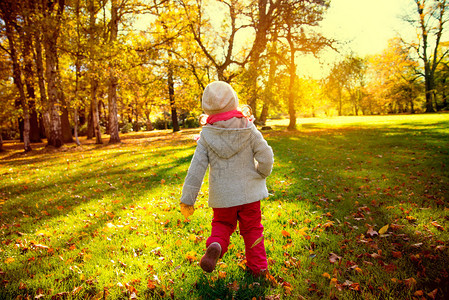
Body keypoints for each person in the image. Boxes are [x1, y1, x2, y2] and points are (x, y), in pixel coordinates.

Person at [180, 81, 274, 276]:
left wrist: (187, 200)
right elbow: (266, 155)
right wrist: (262, 172)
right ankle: (258, 268)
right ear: (234, 100)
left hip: (223, 198)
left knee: (222, 225)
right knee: (252, 230)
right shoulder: (249, 128)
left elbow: (195, 170)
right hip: (249, 195)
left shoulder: (206, 136)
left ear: (207, 106)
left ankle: (216, 245)